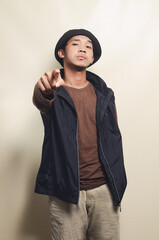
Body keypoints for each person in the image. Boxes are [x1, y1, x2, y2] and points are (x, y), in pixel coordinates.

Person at [32, 29, 127, 240]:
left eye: (88, 46)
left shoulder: (105, 94)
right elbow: (41, 99)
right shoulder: (54, 89)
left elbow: (113, 135)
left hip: (105, 190)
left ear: (92, 58)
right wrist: (44, 89)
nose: (83, 47)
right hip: (66, 192)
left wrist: (118, 182)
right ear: (61, 53)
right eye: (75, 43)